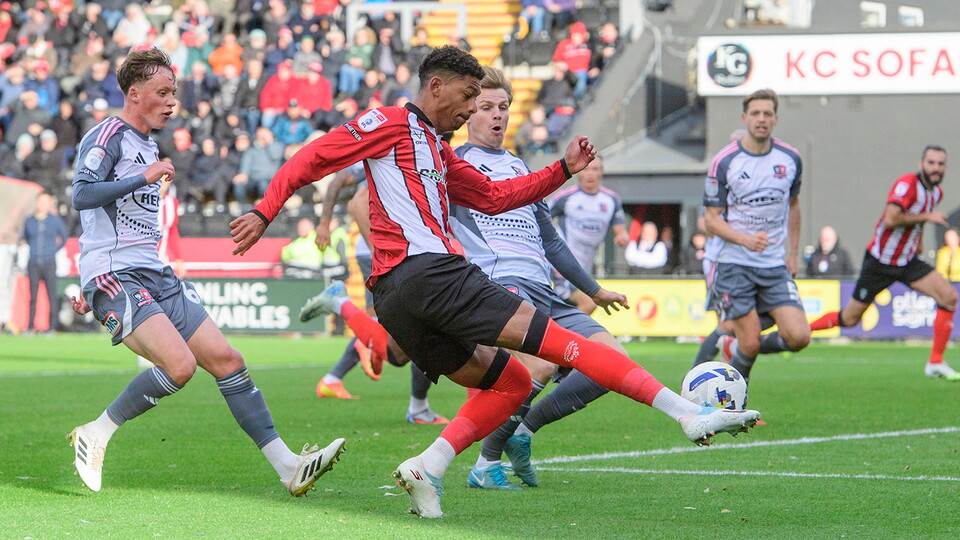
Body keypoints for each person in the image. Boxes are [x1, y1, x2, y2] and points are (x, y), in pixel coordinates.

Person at [230, 45, 761, 518]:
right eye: (466, 97)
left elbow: (493, 197)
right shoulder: (391, 123)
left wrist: (562, 170)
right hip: (433, 273)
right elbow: (313, 157)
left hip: (395, 298)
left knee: (509, 383)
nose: (469, 109)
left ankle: (428, 466)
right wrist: (264, 209)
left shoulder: (438, 152)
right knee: (565, 346)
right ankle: (686, 412)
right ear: (434, 86)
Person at [66, 47, 345, 496]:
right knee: (179, 366)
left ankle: (288, 467)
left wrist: (148, 173)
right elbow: (81, 195)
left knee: (228, 360)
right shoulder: (108, 135)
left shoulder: (147, 144)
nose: (173, 100)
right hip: (115, 273)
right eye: (163, 92)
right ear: (134, 94)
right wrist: (143, 178)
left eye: (174, 91)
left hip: (155, 273)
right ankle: (96, 432)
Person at [451, 66, 632, 490]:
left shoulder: (518, 166)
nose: (497, 116)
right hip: (499, 285)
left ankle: (524, 429)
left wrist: (594, 290)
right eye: (486, 107)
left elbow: (551, 242)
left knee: (612, 362)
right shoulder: (454, 164)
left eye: (504, 107)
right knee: (542, 362)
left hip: (545, 291)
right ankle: (485, 464)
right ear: (467, 113)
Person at [309, 162, 449, 424]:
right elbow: (355, 198)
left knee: (400, 329)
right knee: (414, 328)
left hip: (396, 252)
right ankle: (355, 334)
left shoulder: (423, 154)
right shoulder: (391, 149)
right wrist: (377, 253)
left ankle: (338, 372)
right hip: (385, 252)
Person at [810, 146, 960, 380]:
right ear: (921, 164)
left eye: (941, 164)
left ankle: (935, 362)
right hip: (880, 262)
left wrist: (918, 240)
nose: (936, 168)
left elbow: (918, 221)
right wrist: (927, 218)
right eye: (931, 163)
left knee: (949, 297)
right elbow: (891, 219)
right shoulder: (908, 184)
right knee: (850, 319)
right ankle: (802, 332)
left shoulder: (936, 193)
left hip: (908, 261)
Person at [703, 88, 810, 383]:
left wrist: (793, 252)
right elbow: (711, 221)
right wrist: (745, 239)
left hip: (774, 263)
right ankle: (735, 404)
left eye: (767, 114)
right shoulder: (725, 161)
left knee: (799, 336)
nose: (761, 119)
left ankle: (731, 343)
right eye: (755, 114)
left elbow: (794, 205)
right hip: (734, 262)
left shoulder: (790, 159)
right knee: (749, 342)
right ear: (744, 118)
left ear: (775, 118)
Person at [549, 155, 629, 314]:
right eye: (586, 169)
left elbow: (621, 230)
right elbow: (540, 218)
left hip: (584, 268)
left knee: (564, 310)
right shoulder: (566, 197)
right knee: (589, 303)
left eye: (595, 169)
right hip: (561, 265)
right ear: (578, 171)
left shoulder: (611, 200)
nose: (590, 174)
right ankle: (563, 338)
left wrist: (623, 237)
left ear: (601, 173)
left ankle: (556, 335)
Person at [22, 192, 67, 334]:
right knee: (33, 296)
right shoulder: (29, 220)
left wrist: (53, 250)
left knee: (51, 295)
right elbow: (26, 237)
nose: (42, 205)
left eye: (46, 202)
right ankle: (30, 327)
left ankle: (52, 327)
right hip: (33, 261)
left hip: (49, 261)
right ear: (36, 203)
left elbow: (64, 237)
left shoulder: (55, 220)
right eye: (40, 202)